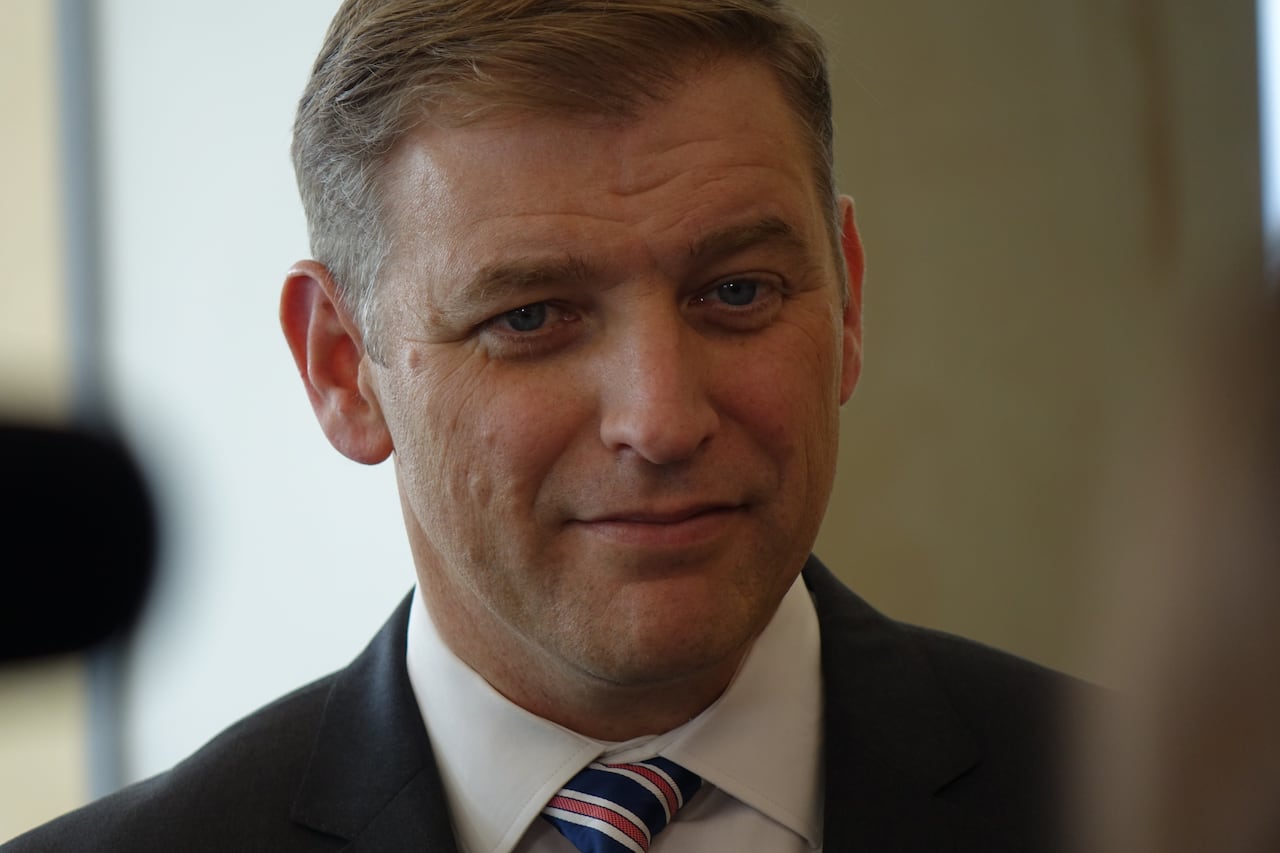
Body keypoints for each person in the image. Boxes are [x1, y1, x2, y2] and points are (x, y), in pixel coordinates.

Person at [4, 2, 1084, 850]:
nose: (659, 419)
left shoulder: (1160, 806)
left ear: (845, 300)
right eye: (529, 317)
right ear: (342, 367)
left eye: (738, 292)